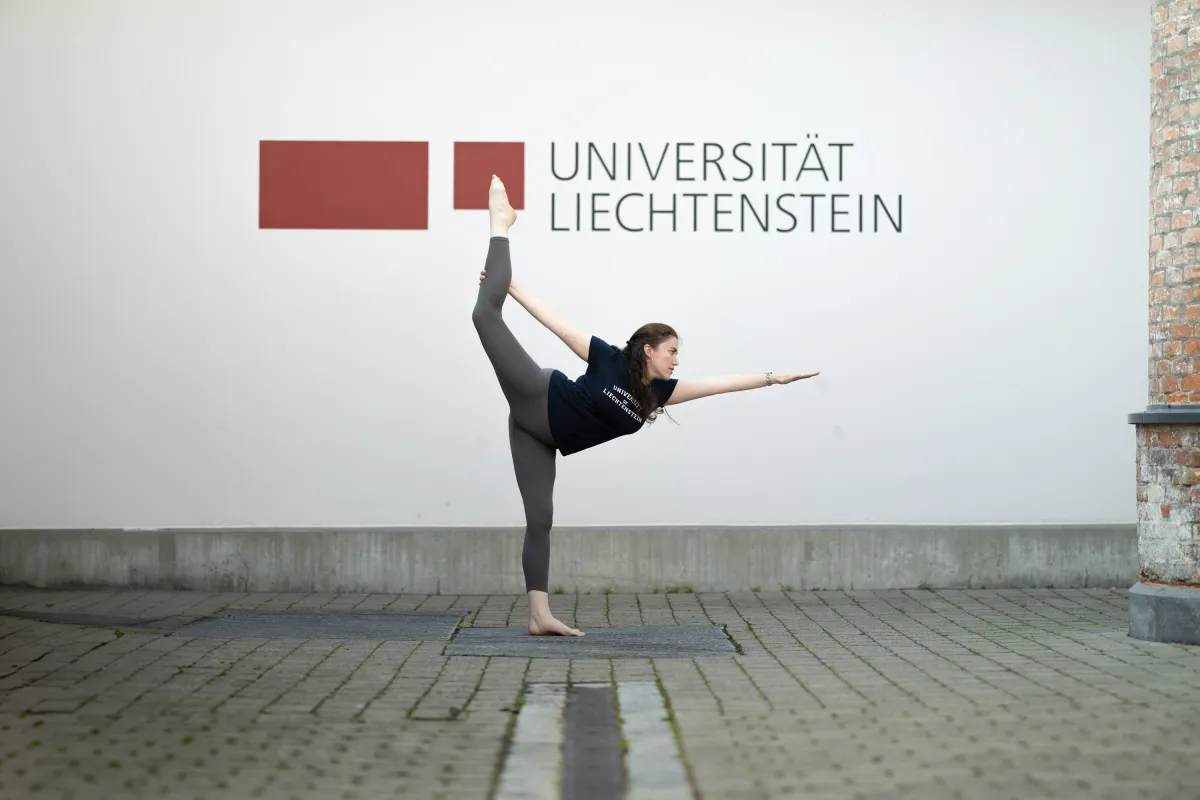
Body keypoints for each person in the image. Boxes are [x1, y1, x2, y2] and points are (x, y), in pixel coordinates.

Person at [472, 175, 819, 637]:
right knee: (484, 314)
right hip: (537, 394)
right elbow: (556, 322)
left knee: (541, 518)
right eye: (672, 350)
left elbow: (721, 384)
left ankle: (539, 616)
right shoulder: (610, 358)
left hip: (539, 436)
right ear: (649, 349)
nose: (678, 359)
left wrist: (773, 378)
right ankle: (502, 224)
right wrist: (510, 286)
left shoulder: (660, 394)